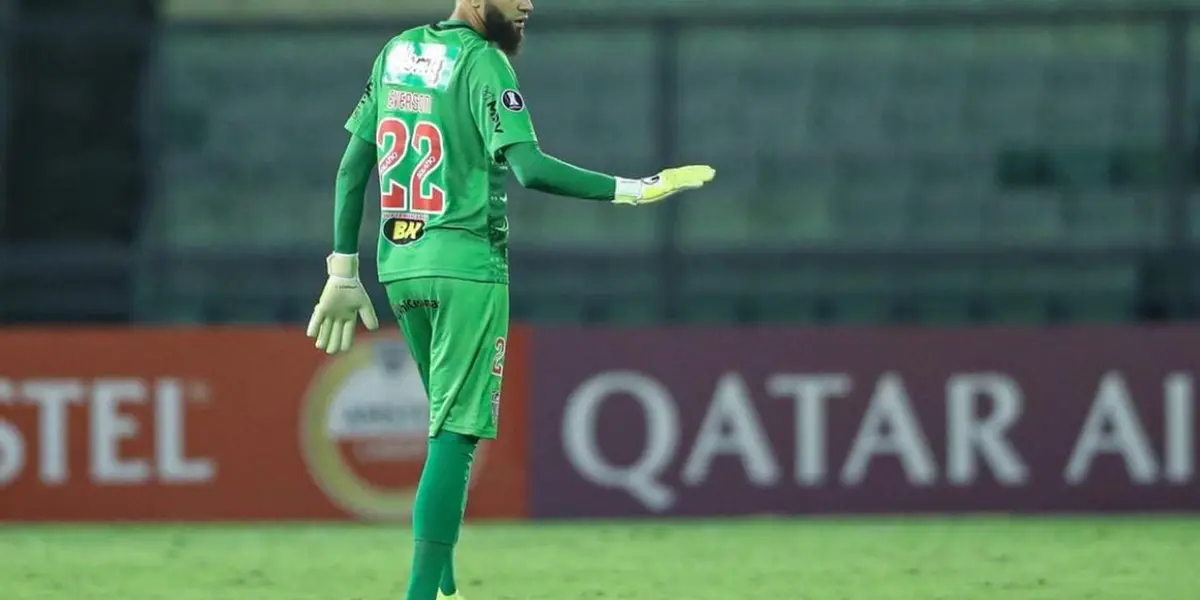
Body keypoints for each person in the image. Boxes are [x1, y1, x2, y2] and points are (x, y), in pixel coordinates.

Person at [305, 1, 715, 599]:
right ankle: (421, 596)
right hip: (466, 267)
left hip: (401, 267)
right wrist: (637, 189)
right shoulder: (484, 62)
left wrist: (343, 269)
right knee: (455, 438)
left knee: (441, 428)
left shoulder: (398, 51)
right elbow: (529, 168)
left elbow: (351, 167)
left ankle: (445, 592)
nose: (527, 3)